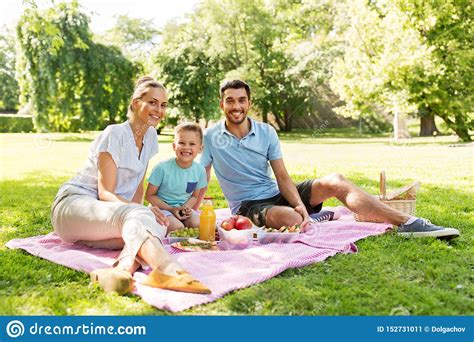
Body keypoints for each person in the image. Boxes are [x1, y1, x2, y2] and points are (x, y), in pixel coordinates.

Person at [196, 79, 460, 239]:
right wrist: (190, 209)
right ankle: (313, 216)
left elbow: (283, 177)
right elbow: (200, 178)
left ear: (249, 103)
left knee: (336, 181)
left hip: (276, 193)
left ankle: (409, 223)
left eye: (241, 100)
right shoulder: (210, 137)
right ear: (222, 105)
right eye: (230, 101)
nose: (236, 106)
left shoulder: (266, 132)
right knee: (292, 220)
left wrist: (300, 203)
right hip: (248, 206)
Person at [50, 76, 211, 295]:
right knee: (144, 218)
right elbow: (105, 192)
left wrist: (144, 215)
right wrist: (139, 211)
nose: (159, 109)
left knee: (157, 224)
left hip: (109, 217)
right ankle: (166, 268)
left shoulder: (151, 136)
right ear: (136, 103)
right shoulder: (114, 134)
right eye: (152, 102)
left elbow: (138, 186)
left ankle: (120, 271)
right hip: (75, 206)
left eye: (163, 105)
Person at [146, 123, 206, 232]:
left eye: (192, 144)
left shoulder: (200, 170)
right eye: (181, 143)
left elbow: (194, 196)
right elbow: (150, 196)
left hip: (181, 208)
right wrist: (171, 209)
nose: (186, 147)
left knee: (199, 224)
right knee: (177, 228)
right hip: (161, 208)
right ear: (174, 146)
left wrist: (186, 207)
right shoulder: (161, 168)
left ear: (200, 148)